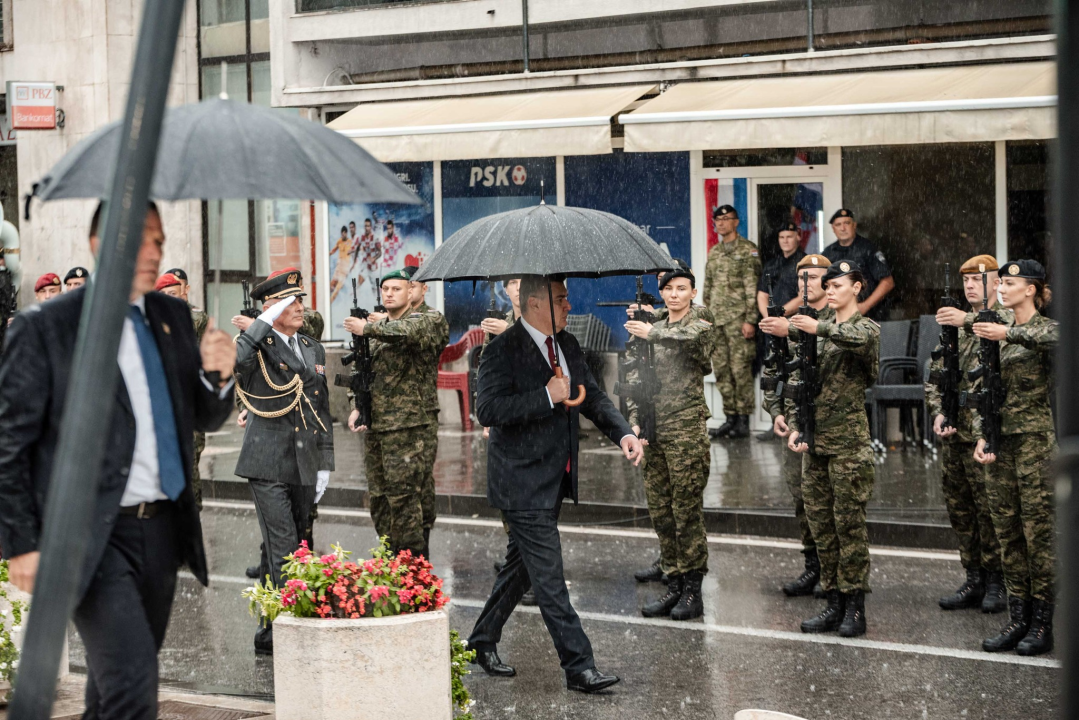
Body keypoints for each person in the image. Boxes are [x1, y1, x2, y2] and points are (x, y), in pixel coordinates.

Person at [0, 202, 236, 717]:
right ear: (98, 245)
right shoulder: (48, 327)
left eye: (159, 241)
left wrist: (219, 376)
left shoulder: (172, 318)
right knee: (133, 691)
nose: (154, 252)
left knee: (109, 695)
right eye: (140, 240)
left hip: (162, 531)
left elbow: (199, 416)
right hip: (90, 535)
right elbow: (9, 443)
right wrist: (19, 543)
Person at [467, 276, 644, 694]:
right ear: (534, 304)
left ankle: (481, 639)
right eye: (561, 299)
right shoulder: (501, 350)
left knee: (521, 570)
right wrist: (545, 395)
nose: (569, 305)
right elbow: (488, 409)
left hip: (554, 476)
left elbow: (593, 396)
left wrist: (623, 434)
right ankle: (578, 666)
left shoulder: (567, 344)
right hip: (520, 480)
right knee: (549, 577)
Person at [234, 269, 334, 655]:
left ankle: (273, 629)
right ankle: (290, 632)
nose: (300, 307)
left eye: (301, 300)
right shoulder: (256, 343)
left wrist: (325, 461)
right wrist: (260, 323)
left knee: (301, 545)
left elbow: (320, 406)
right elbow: (234, 361)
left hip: (304, 460)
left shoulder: (311, 347)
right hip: (267, 462)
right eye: (289, 302)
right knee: (284, 549)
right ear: (270, 308)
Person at [787, 260, 879, 638]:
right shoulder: (819, 332)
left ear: (857, 287)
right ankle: (833, 602)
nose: (830, 290)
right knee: (822, 527)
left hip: (848, 446)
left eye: (838, 284)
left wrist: (819, 326)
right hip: (816, 442)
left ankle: (855, 608)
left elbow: (859, 341)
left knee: (849, 528)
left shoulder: (864, 327)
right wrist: (795, 424)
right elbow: (799, 379)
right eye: (828, 285)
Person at [972, 259, 1057, 656]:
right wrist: (980, 434)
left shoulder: (1041, 328)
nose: (1002, 288)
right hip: (999, 442)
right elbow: (980, 386)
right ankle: (1018, 616)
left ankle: (1042, 623)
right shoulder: (993, 331)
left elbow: (1057, 340)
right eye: (1000, 282)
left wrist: (1010, 333)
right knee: (1007, 532)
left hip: (1034, 442)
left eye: (1010, 283)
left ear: (1032, 289)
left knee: (1038, 533)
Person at [625, 265, 713, 620]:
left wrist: (652, 330)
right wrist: (632, 418)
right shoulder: (651, 327)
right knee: (661, 512)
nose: (675, 294)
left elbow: (692, 340)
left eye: (682, 288)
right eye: (669, 289)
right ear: (661, 294)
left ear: (693, 292)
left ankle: (693, 592)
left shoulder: (699, 322)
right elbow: (633, 374)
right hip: (653, 428)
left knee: (686, 513)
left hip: (686, 430)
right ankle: (674, 585)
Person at [927, 255, 1006, 614]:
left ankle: (997, 580)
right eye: (967, 281)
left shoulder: (1005, 322)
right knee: (961, 510)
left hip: (986, 437)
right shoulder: (954, 328)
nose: (970, 286)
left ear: (996, 283)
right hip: (956, 437)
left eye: (978, 279)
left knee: (991, 511)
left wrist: (968, 320)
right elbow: (936, 374)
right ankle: (973, 577)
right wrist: (940, 411)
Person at [344, 269, 431, 557]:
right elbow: (360, 370)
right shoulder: (376, 331)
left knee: (404, 498)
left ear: (410, 293)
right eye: (385, 289)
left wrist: (367, 328)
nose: (390, 293)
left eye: (396, 288)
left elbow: (408, 332)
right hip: (376, 426)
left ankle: (413, 567)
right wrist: (357, 405)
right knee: (379, 498)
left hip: (404, 428)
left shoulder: (418, 322)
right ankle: (390, 557)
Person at [761, 254, 832, 597]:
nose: (807, 284)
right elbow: (774, 371)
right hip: (794, 426)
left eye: (815, 277)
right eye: (802, 278)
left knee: (830, 504)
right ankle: (813, 566)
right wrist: (775, 410)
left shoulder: (837, 319)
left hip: (830, 427)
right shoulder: (789, 320)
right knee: (803, 501)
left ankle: (833, 574)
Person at [703, 205, 760, 440]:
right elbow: (708, 287)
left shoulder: (748, 251)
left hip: (738, 321)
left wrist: (751, 320)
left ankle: (743, 421)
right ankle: (730, 418)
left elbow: (753, 288)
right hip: (717, 321)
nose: (722, 223)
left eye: (727, 219)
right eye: (718, 220)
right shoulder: (715, 252)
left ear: (736, 222)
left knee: (740, 370)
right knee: (722, 371)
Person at [404, 264, 449, 560]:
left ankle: (421, 555)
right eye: (399, 287)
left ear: (424, 289)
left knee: (421, 482)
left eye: (412, 286)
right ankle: (398, 558)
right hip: (390, 419)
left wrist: (376, 324)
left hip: (421, 414)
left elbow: (412, 331)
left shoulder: (432, 318)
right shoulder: (386, 320)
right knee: (396, 490)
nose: (407, 291)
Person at [821, 209, 894, 321]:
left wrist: (865, 305)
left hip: (870, 317)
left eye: (847, 223)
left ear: (854, 225)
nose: (843, 228)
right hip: (838, 319)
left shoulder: (868, 248)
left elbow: (888, 282)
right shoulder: (828, 253)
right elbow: (821, 284)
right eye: (838, 224)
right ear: (833, 228)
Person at [756, 222, 806, 319]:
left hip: (794, 322)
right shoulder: (771, 264)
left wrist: (777, 314)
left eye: (789, 237)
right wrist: (768, 316)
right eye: (781, 237)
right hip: (771, 322)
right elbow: (762, 294)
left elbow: (803, 298)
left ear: (798, 237)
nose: (785, 241)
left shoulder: (805, 263)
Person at [330, 225, 358, 302]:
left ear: (346, 233)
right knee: (331, 287)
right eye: (342, 234)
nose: (343, 235)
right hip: (338, 269)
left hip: (344, 270)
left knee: (337, 289)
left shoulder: (350, 242)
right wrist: (327, 254)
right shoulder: (339, 241)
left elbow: (356, 250)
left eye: (344, 233)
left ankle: (330, 302)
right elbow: (333, 250)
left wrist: (352, 252)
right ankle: (326, 303)